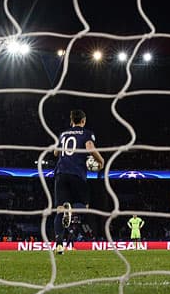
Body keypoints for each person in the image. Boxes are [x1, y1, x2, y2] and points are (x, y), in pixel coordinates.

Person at [52, 109, 105, 255]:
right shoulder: (87, 133)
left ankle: (58, 245)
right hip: (77, 173)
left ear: (71, 121)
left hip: (61, 173)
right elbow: (90, 147)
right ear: (83, 121)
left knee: (59, 210)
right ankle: (73, 211)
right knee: (84, 206)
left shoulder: (63, 134)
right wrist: (101, 160)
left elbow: (55, 153)